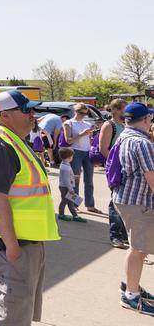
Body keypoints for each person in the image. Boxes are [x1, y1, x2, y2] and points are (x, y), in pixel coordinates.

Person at [0, 91, 59, 325]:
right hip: (11, 243)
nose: (32, 115)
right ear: (5, 115)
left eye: (32, 110)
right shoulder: (1, 144)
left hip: (23, 240)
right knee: (11, 309)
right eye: (26, 110)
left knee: (20, 306)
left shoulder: (15, 140)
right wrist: (12, 246)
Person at [112, 102, 154, 315]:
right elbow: (152, 177)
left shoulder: (124, 136)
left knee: (137, 246)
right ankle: (131, 294)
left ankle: (132, 286)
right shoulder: (143, 143)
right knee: (138, 249)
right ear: (146, 119)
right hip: (137, 202)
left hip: (126, 198)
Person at [63, 103, 103, 214]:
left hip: (87, 152)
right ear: (76, 112)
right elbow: (68, 140)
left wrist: (91, 141)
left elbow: (89, 139)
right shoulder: (68, 123)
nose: (84, 115)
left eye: (85, 113)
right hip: (75, 152)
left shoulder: (86, 123)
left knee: (89, 180)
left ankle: (90, 205)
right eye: (82, 113)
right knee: (75, 180)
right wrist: (82, 134)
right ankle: (74, 205)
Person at [101, 100, 130, 248]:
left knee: (123, 202)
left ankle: (124, 235)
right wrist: (115, 165)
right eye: (126, 107)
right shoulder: (109, 125)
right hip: (115, 169)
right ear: (117, 110)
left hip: (124, 168)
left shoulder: (123, 125)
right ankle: (115, 236)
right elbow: (103, 149)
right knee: (115, 202)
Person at [56, 148, 86, 223]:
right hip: (66, 188)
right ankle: (61, 214)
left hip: (67, 187)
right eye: (72, 156)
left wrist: (74, 176)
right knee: (65, 201)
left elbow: (67, 176)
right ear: (68, 157)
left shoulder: (65, 164)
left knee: (71, 202)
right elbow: (66, 180)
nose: (72, 158)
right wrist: (71, 190)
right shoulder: (65, 167)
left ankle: (75, 215)